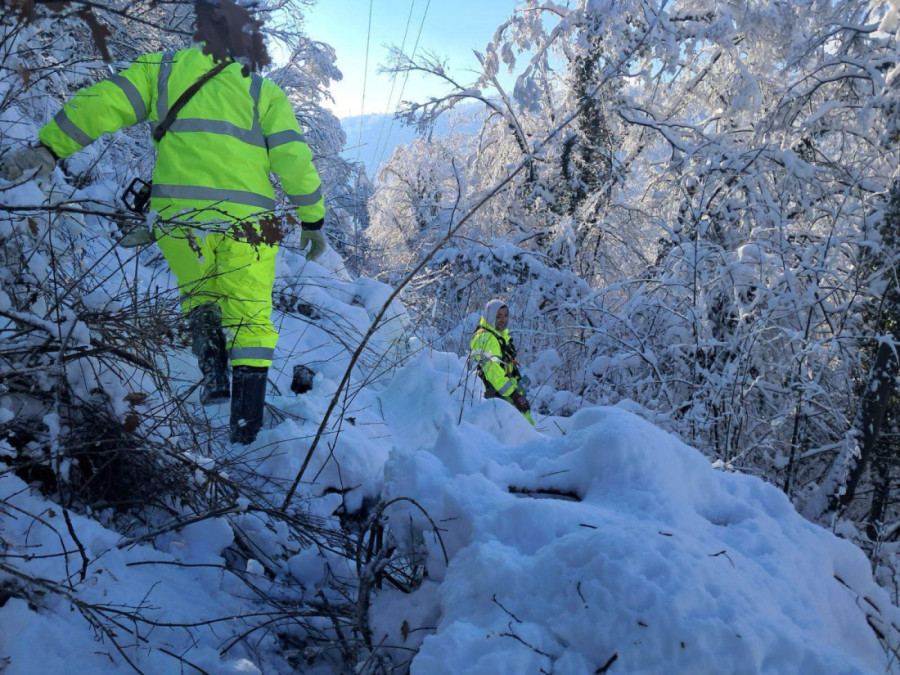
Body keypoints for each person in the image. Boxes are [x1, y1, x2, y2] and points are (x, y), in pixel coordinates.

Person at [0, 2, 327, 445]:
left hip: (180, 222)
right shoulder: (261, 91)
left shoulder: (162, 70)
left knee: (200, 295)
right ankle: (246, 428)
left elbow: (103, 102)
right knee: (250, 318)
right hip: (247, 226)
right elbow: (294, 159)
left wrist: (49, 148)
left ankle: (214, 382)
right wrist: (312, 219)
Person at [470, 299, 534, 425]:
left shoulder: (499, 335)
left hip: (507, 391)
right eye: (498, 316)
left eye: (505, 315)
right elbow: (493, 374)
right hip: (498, 396)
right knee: (519, 429)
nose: (503, 319)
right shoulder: (486, 338)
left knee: (524, 426)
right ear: (490, 316)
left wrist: (520, 389)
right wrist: (515, 396)